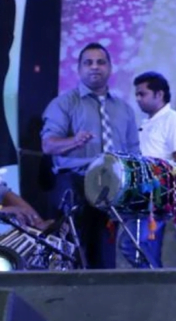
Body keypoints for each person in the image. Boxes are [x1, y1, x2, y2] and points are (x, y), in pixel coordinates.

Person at [41, 42, 140, 269]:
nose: (95, 67)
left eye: (100, 62)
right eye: (88, 63)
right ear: (79, 69)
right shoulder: (64, 103)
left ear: (110, 68)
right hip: (76, 182)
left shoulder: (124, 109)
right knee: (76, 254)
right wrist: (74, 141)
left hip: (113, 189)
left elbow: (134, 153)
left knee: (105, 257)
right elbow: (48, 145)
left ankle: (104, 290)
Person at [117, 71, 176, 268]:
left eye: (142, 94)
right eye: (136, 94)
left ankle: (155, 281)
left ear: (159, 94)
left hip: (157, 193)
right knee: (139, 246)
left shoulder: (173, 119)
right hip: (139, 193)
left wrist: (173, 193)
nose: (138, 99)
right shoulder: (145, 123)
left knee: (136, 245)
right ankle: (151, 281)